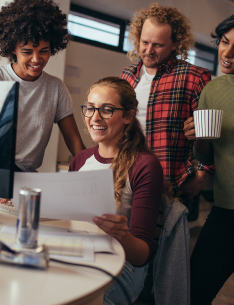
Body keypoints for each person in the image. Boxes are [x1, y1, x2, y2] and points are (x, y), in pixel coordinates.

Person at [0, 0, 85, 200]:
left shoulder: (56, 88)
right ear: (12, 47)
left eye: (44, 51)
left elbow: (73, 140)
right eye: (27, 52)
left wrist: (90, 176)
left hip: (25, 181)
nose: (36, 59)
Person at [184, 6, 234, 304]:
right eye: (224, 41)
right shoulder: (212, 91)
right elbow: (206, 156)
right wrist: (200, 140)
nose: (227, 53)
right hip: (225, 207)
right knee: (192, 291)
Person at [69, 76, 164, 305]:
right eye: (90, 108)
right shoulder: (81, 159)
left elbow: (142, 256)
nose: (95, 118)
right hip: (80, 253)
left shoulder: (144, 165)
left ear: (128, 116)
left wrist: (120, 234)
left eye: (107, 110)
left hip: (123, 265)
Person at [121, 3, 214, 219]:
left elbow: (212, 133)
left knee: (165, 249)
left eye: (158, 45)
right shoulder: (127, 75)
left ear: (174, 44)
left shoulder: (195, 77)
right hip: (128, 177)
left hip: (172, 184)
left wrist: (201, 176)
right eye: (144, 42)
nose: (148, 50)